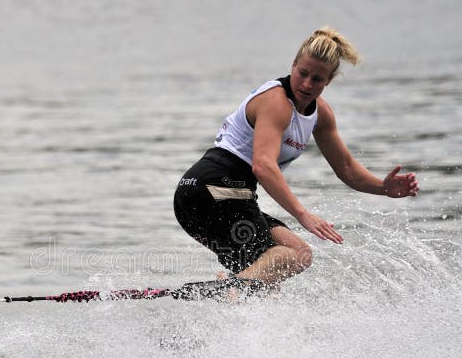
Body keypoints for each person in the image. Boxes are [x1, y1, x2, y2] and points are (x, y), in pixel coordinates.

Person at [173, 26, 419, 289]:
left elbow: (346, 168)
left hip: (217, 195)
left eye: (317, 79)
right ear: (293, 65)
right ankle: (228, 288)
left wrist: (382, 187)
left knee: (269, 276)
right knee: (293, 257)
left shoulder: (320, 115)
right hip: (212, 190)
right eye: (302, 73)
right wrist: (303, 214)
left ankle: (222, 303)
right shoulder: (276, 102)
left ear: (329, 81)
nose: (306, 84)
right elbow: (263, 166)